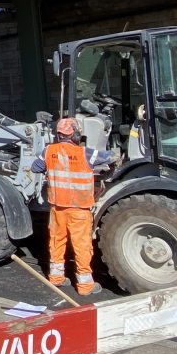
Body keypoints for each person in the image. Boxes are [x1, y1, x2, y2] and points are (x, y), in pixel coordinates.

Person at [32, 117, 114, 296]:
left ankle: (56, 278)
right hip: (79, 209)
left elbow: (35, 167)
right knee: (82, 245)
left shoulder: (48, 151)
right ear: (76, 135)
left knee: (56, 241)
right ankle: (85, 286)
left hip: (57, 209)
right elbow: (109, 157)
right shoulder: (85, 153)